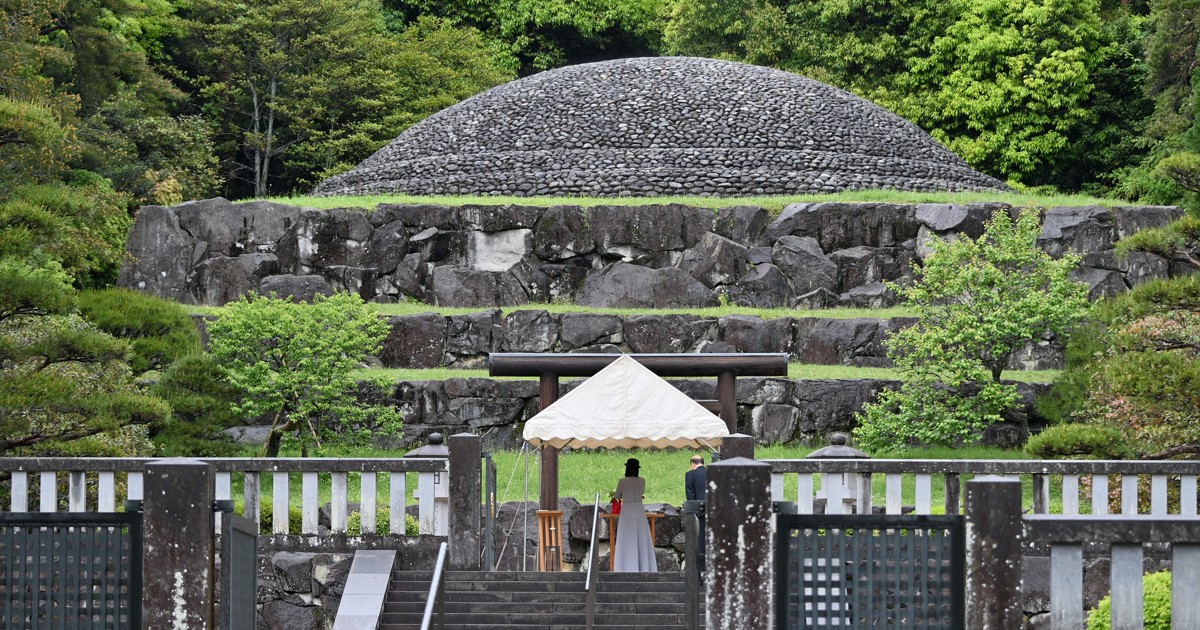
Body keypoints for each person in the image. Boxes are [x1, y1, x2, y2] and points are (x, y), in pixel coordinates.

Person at [612, 457, 657, 572]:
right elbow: (642, 493)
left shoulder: (622, 481)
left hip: (626, 509)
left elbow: (617, 496)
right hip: (638, 509)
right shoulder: (642, 480)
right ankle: (643, 566)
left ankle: (624, 566)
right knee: (641, 537)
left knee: (625, 538)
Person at [684, 454, 707, 579]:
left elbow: (690, 496)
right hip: (714, 510)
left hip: (700, 510)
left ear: (693, 463)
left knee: (700, 539)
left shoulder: (690, 475)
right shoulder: (712, 473)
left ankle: (701, 567)